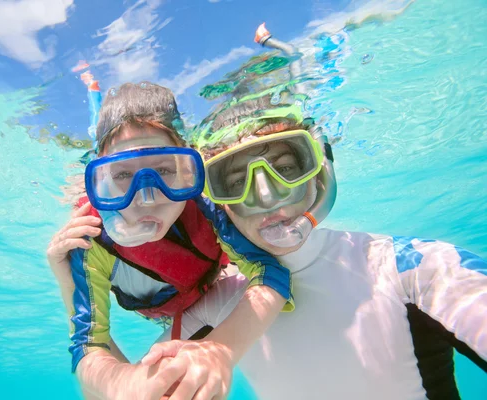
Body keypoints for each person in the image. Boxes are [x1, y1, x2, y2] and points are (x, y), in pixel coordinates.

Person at [142, 85, 487, 399]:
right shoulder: (220, 304)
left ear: (319, 170)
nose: (266, 196)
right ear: (218, 206)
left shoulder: (410, 268)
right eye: (235, 182)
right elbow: (127, 387)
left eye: (287, 168)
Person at [47, 82, 294, 400]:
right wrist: (125, 383)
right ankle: (93, 92)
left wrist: (220, 351)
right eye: (123, 175)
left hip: (213, 286)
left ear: (187, 169)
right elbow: (88, 344)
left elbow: (269, 271)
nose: (147, 198)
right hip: (160, 311)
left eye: (164, 169)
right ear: (100, 178)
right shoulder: (91, 237)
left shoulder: (206, 207)